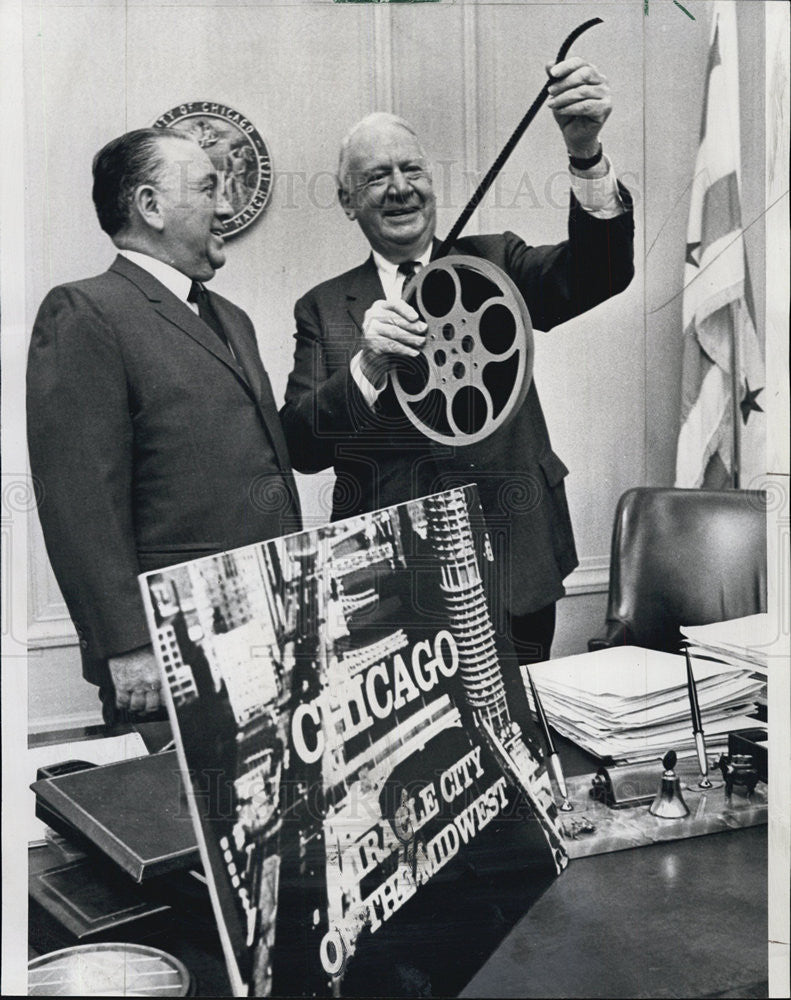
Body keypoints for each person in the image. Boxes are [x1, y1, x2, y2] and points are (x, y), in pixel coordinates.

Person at [280, 57, 634, 730]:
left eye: (410, 170)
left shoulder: (492, 260)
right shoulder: (323, 309)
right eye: (375, 176)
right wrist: (366, 366)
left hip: (517, 552)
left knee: (523, 738)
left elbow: (601, 270)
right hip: (395, 583)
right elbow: (300, 444)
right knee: (424, 750)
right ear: (346, 199)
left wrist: (583, 151)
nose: (399, 188)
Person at [27, 128, 301, 724]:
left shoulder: (233, 317)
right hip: (173, 651)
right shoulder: (84, 311)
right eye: (208, 189)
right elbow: (79, 501)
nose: (225, 207)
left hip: (271, 628)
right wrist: (126, 644)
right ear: (150, 207)